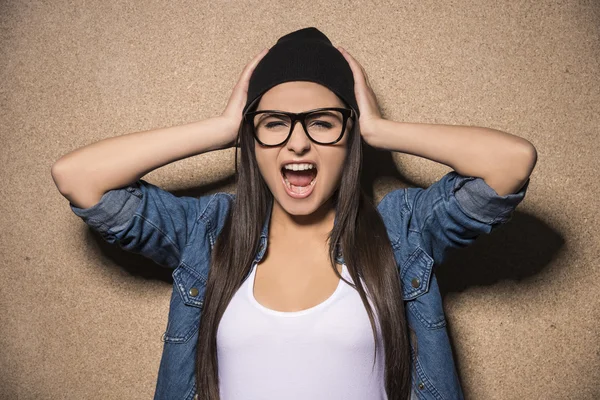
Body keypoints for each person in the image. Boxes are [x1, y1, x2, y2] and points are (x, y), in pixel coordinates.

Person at [51, 27, 536, 400]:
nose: (298, 141)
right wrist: (223, 127)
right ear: (252, 139)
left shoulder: (401, 231)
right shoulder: (206, 234)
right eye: (274, 124)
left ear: (350, 138)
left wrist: (382, 131)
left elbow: (509, 165)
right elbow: (79, 177)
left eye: (323, 123)